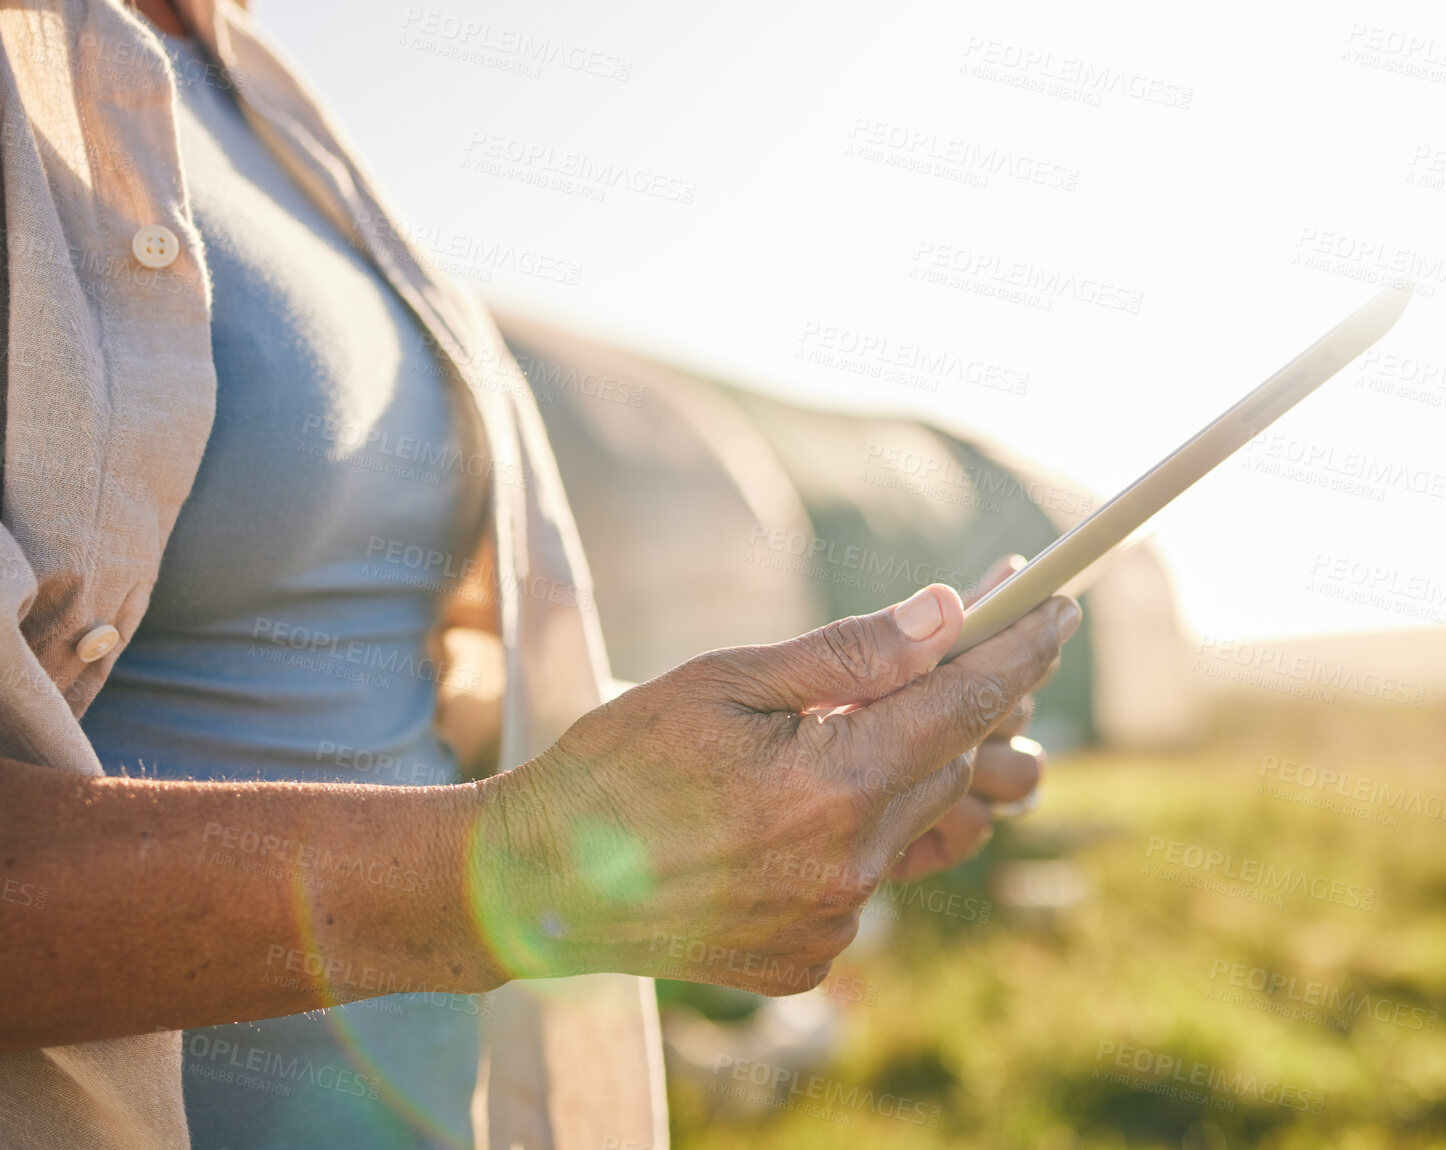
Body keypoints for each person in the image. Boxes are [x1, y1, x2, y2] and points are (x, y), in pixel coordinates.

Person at [0, 0, 1078, 1147]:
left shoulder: (261, 99)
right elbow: (488, 848)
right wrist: (519, 867)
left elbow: (393, 682)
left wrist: (769, 784)